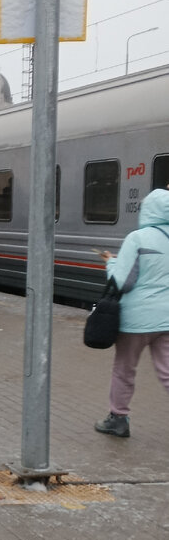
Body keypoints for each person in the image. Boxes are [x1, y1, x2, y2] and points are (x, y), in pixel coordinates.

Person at [93, 187, 169, 438]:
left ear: (148, 209)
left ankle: (118, 419)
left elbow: (123, 281)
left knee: (124, 371)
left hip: (135, 321)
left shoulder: (137, 238)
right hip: (166, 319)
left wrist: (110, 261)